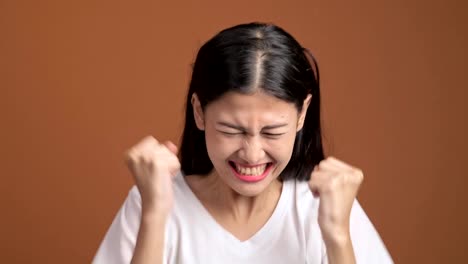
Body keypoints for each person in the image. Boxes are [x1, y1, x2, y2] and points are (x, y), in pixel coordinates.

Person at [93, 22, 393, 264]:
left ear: (302, 115)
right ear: (199, 112)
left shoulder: (328, 207)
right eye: (231, 130)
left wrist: (337, 235)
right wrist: (155, 214)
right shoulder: (152, 200)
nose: (252, 154)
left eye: (273, 132)